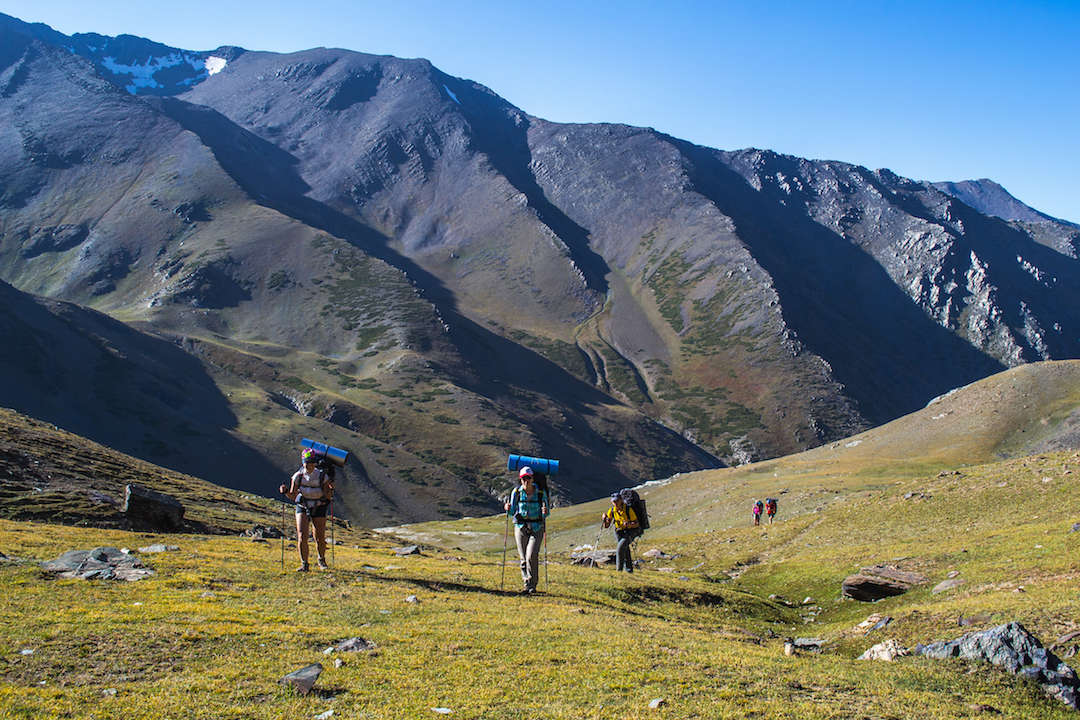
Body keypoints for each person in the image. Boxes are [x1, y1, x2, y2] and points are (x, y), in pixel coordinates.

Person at [279, 448, 334, 571]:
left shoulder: (322, 476)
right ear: (302, 462)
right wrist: (286, 491)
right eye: (306, 462)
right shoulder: (297, 476)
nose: (308, 464)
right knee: (302, 535)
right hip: (303, 506)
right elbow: (293, 495)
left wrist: (330, 489)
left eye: (310, 462)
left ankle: (321, 560)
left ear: (314, 462)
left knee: (319, 536)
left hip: (319, 506)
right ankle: (304, 564)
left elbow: (328, 495)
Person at [503, 466, 549, 593]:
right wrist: (507, 508)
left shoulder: (540, 493)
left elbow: (547, 512)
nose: (526, 481)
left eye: (528, 478)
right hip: (520, 527)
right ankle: (527, 584)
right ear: (520, 479)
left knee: (531, 555)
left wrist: (544, 512)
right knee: (523, 558)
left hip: (537, 527)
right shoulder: (516, 492)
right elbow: (512, 511)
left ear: (532, 478)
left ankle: (533, 584)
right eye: (523, 478)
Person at [601, 492, 640, 573]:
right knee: (625, 549)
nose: (615, 503)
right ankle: (629, 570)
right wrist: (604, 519)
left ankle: (619, 571)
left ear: (621, 500)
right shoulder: (612, 510)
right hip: (619, 532)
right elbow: (606, 525)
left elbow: (636, 523)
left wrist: (629, 524)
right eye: (613, 501)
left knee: (620, 548)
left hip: (630, 531)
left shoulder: (628, 509)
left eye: (617, 501)